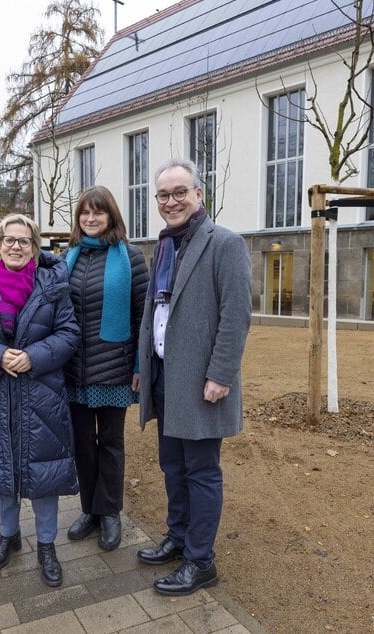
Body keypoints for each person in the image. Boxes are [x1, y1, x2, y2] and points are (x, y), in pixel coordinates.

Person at [136, 158, 252, 596]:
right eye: (163, 195)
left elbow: (236, 316)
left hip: (203, 381)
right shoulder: (164, 245)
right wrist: (142, 369)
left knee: (201, 471)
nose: (171, 201)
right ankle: (179, 537)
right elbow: (155, 313)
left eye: (180, 192)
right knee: (172, 466)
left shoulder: (224, 243)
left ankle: (200, 561)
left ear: (199, 194)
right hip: (166, 376)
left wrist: (221, 374)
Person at [0, 214, 80, 587]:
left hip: (41, 392)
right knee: (0, 468)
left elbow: (69, 332)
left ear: (35, 247)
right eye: (9, 239)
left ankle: (47, 546)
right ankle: (9, 536)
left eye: (24, 241)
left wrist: (34, 356)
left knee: (43, 472)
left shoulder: (52, 283)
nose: (16, 246)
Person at [63, 186, 149, 551]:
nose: (91, 218)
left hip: (114, 367)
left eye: (98, 212)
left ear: (111, 216)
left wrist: (140, 365)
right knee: (82, 444)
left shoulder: (130, 257)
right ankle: (90, 510)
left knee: (111, 443)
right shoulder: (68, 257)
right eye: (85, 212)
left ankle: (110, 512)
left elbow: (144, 316)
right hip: (74, 370)